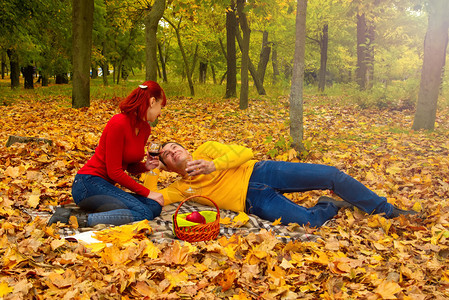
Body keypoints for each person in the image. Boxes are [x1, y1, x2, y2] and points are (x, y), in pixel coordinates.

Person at [143, 141, 417, 228]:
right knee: (308, 222)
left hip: (263, 171)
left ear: (186, 150)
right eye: (166, 153)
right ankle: (328, 204)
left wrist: (214, 164)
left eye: (175, 146)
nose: (172, 151)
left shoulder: (207, 149)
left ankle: (385, 210)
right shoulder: (179, 188)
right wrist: (151, 170)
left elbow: (245, 152)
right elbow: (153, 197)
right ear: (168, 165)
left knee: (332, 175)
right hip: (253, 201)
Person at [48, 81, 166, 227]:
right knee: (144, 212)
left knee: (154, 206)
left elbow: (129, 166)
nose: (161, 113)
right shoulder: (118, 123)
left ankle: (104, 216)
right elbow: (114, 171)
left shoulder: (145, 128)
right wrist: (148, 192)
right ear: (152, 101)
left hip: (106, 187)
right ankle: (72, 219)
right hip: (88, 184)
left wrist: (145, 166)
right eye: (161, 107)